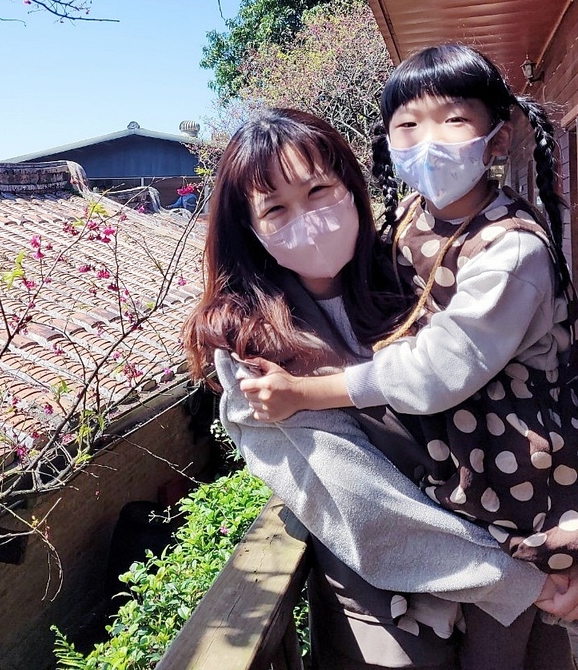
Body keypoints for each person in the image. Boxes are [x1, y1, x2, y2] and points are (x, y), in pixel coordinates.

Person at [182, 107, 578, 670]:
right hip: (400, 607)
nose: (307, 218)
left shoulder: (413, 275)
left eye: (318, 190)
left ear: (351, 186)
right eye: (275, 208)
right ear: (249, 229)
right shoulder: (250, 346)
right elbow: (358, 497)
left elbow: (525, 392)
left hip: (518, 575)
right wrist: (521, 581)